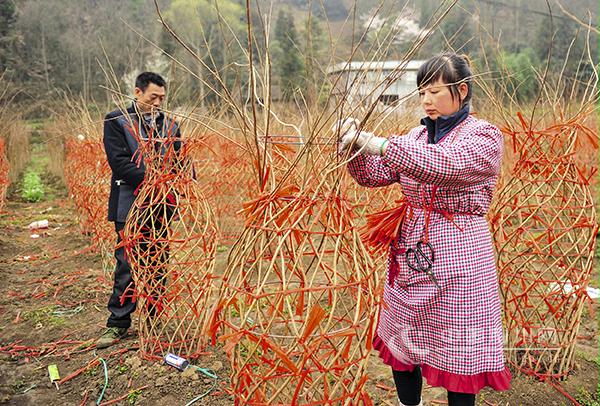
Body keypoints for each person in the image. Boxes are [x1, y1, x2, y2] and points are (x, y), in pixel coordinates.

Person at [336, 53, 511, 406]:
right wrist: (353, 148)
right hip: (412, 251)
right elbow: (376, 174)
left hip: (462, 257)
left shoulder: (484, 136)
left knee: (462, 351)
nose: (426, 100)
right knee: (402, 337)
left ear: (462, 91)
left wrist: (380, 143)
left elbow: (444, 166)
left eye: (434, 91)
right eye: (421, 93)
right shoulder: (416, 135)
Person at [97, 72, 181, 349]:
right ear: (137, 93)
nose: (157, 103)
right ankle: (118, 324)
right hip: (129, 202)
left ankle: (155, 319)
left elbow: (179, 161)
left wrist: (180, 180)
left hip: (161, 205)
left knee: (157, 261)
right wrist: (153, 181)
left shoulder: (170, 126)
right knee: (127, 263)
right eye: (152, 97)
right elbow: (119, 163)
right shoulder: (117, 120)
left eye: (161, 98)